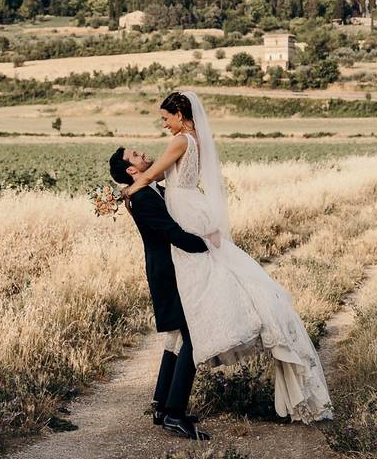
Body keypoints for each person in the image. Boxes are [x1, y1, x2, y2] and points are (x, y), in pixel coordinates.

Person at [116, 91, 332, 423]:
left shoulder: (180, 141)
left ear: (179, 113)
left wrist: (123, 193)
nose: (163, 124)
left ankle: (170, 405)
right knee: (194, 317)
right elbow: (152, 176)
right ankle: (167, 405)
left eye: (165, 117)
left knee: (198, 309)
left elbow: (149, 175)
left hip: (186, 212)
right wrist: (131, 189)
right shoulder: (192, 139)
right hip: (188, 212)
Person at [109, 148, 212, 440]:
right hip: (167, 274)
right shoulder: (142, 198)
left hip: (172, 270)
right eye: (135, 154)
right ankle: (175, 413)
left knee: (178, 336)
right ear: (131, 170)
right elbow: (172, 233)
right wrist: (209, 244)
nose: (142, 152)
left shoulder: (152, 189)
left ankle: (161, 406)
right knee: (193, 335)